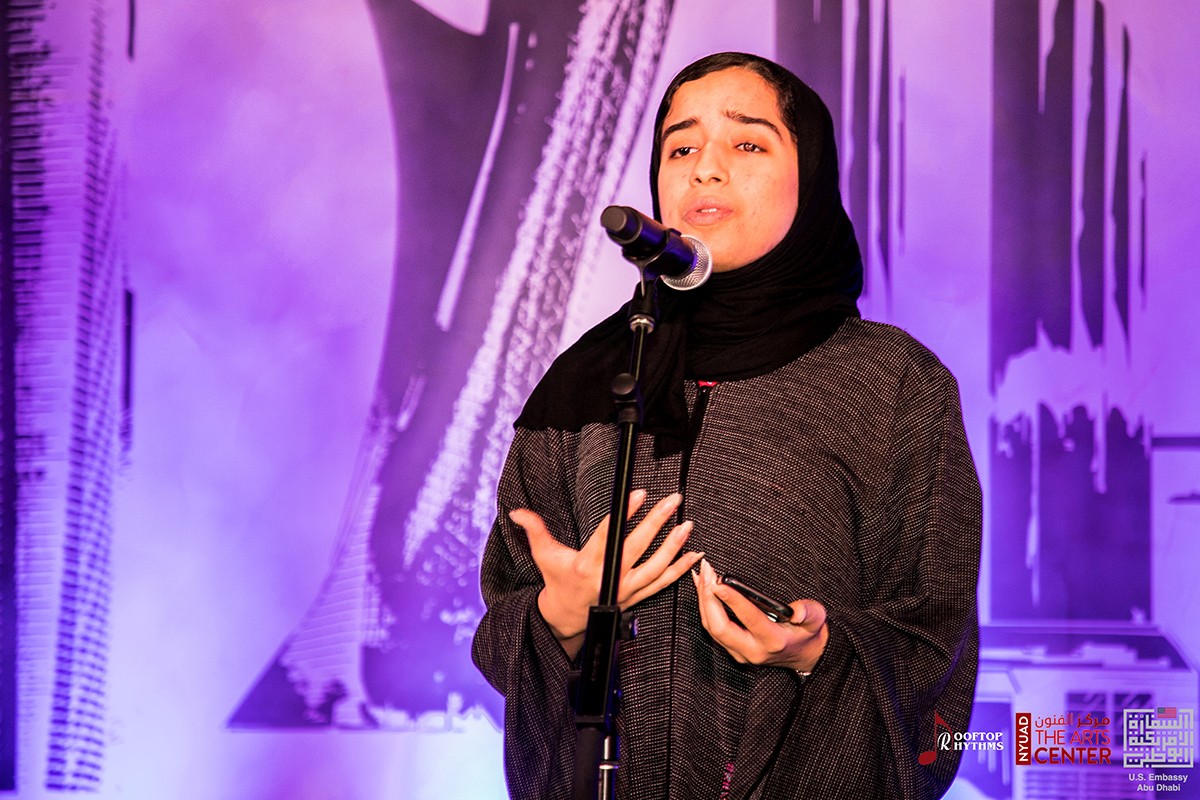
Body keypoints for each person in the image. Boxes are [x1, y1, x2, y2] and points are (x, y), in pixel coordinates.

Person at [472, 51, 982, 800]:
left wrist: (819, 653)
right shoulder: (587, 381)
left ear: (810, 176)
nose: (705, 170)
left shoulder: (894, 384)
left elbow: (936, 649)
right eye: (680, 148)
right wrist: (560, 614)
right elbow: (497, 639)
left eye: (747, 143)